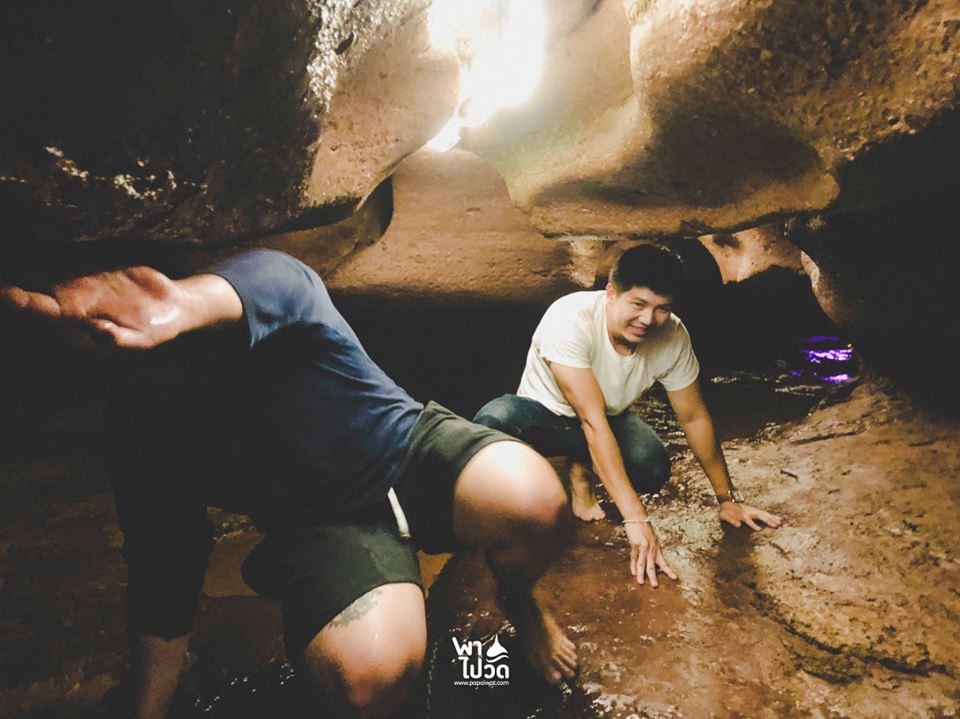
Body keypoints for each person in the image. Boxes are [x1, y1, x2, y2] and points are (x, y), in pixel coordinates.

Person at [1, 249, 578, 719]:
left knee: (531, 498)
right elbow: (164, 569)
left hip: (406, 451)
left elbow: (255, 287)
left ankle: (521, 602)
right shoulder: (137, 428)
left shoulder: (258, 283)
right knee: (369, 678)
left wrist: (175, 302)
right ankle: (308, 575)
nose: (102, 332)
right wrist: (147, 713)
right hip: (323, 526)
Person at [473, 244, 783, 588]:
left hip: (608, 417)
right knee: (493, 421)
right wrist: (636, 520)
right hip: (544, 416)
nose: (648, 320)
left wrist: (726, 499)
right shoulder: (569, 319)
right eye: (638, 304)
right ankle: (570, 473)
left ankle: (582, 468)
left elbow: (694, 416)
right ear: (611, 294)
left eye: (662, 308)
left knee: (652, 467)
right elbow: (590, 421)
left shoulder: (673, 336)